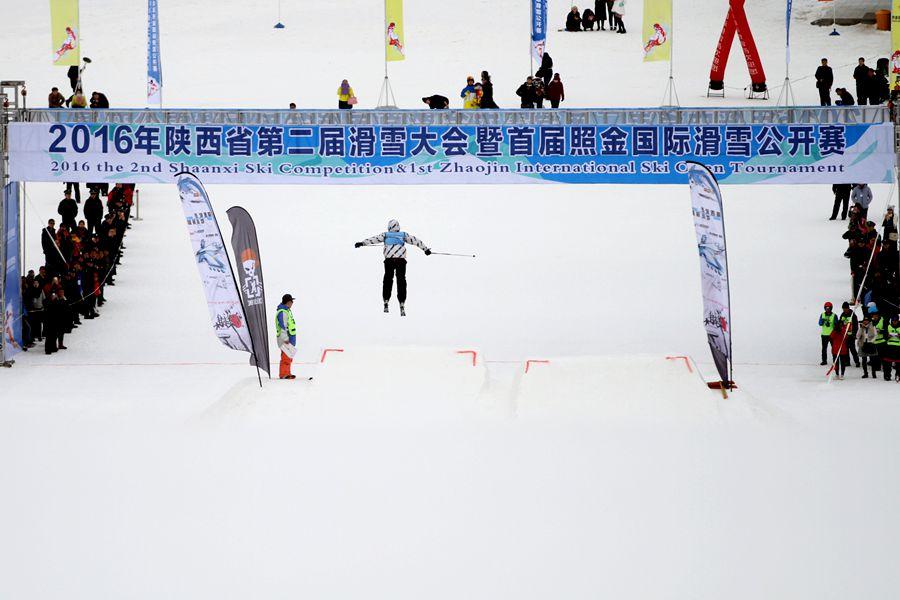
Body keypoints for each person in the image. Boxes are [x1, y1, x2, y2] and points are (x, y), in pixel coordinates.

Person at [354, 219, 431, 316]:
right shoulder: (403, 235)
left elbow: (374, 239)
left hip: (389, 261)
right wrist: (426, 249)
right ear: (398, 227)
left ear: (389, 227)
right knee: (401, 280)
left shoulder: (385, 235)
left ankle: (386, 299)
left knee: (388, 279)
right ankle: (402, 301)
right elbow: (416, 241)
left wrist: (362, 243)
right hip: (400, 261)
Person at [275, 294, 297, 380]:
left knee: (288, 356)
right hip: (285, 339)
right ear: (288, 302)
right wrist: (285, 339)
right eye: (291, 301)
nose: (292, 303)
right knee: (286, 357)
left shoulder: (286, 311)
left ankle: (287, 373)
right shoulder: (283, 312)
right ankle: (284, 374)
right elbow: (282, 326)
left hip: (289, 338)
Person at [838, 301, 861, 368]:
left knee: (852, 349)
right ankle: (847, 362)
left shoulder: (852, 315)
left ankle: (857, 362)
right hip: (844, 335)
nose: (844, 310)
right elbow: (840, 323)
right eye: (843, 309)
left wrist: (854, 334)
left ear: (848, 308)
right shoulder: (842, 315)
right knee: (846, 349)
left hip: (851, 335)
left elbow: (856, 325)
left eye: (845, 308)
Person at [819, 301, 836, 365]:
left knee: (834, 348)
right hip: (824, 335)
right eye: (826, 308)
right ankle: (824, 360)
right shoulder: (822, 315)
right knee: (824, 349)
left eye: (829, 308)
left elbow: (836, 324)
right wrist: (823, 321)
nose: (827, 309)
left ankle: (835, 360)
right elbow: (820, 323)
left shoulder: (834, 315)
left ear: (831, 308)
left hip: (832, 335)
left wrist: (833, 324)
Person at [885, 314, 900, 381]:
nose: (894, 322)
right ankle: (887, 375)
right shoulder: (888, 326)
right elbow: (884, 336)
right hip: (889, 346)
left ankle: (898, 375)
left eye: (896, 321)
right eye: (893, 321)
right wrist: (887, 336)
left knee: (899, 363)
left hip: (898, 346)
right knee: (888, 363)